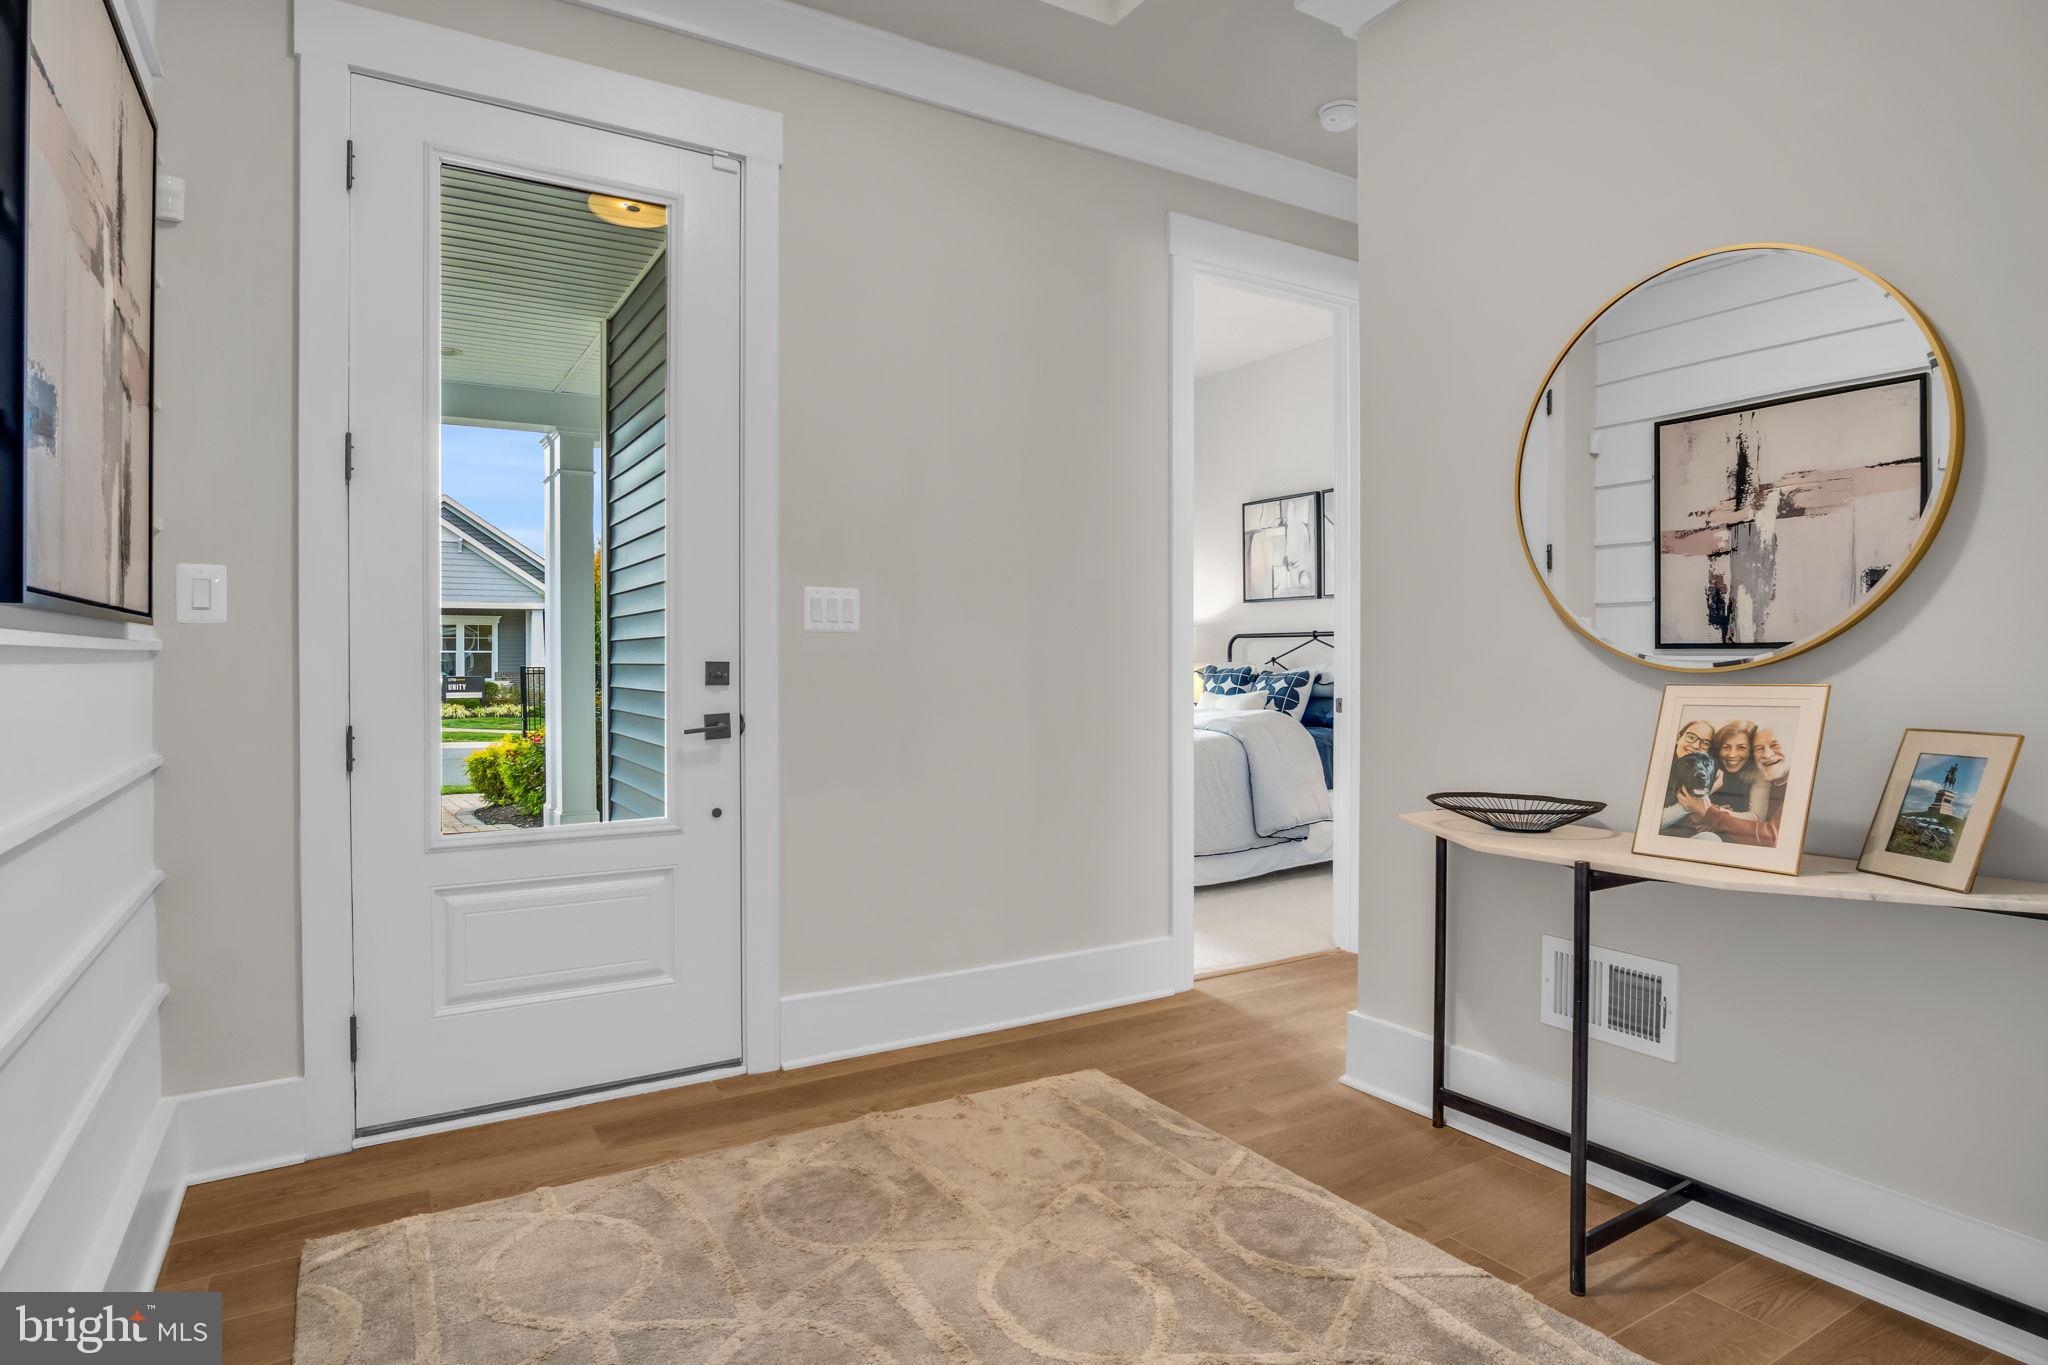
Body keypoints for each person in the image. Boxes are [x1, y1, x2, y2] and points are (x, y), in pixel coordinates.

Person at [1680, 727, 1790, 846]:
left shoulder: (1764, 776)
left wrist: (1710, 813)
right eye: (1759, 748)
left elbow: (1770, 835)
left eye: (1775, 745)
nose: (1767, 754)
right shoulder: (1708, 765)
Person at [1658, 720, 1719, 835]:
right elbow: (1650, 821)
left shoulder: (1709, 771)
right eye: (1691, 737)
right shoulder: (1659, 766)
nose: (1696, 746)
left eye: (1705, 743)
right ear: (1678, 738)